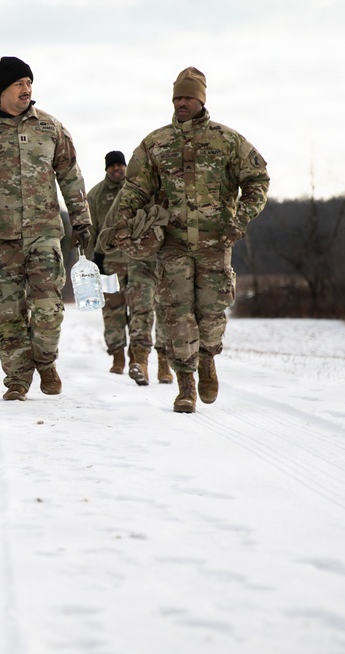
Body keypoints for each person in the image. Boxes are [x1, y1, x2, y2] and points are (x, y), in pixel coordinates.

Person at [112, 67, 269, 413]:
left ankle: (207, 360)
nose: (181, 103)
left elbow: (258, 180)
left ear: (201, 100)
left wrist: (240, 218)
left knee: (211, 314)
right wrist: (123, 222)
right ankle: (185, 386)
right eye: (177, 97)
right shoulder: (156, 143)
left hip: (216, 243)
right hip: (172, 244)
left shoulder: (228, 141)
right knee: (177, 314)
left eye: (188, 97)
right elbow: (135, 188)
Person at [0, 56, 92, 401]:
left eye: (29, 82)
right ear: (2, 89)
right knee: (6, 313)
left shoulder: (50, 128)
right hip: (0, 239)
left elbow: (71, 176)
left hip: (45, 233)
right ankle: (17, 378)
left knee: (48, 308)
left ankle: (45, 361)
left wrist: (82, 220)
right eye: (19, 83)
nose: (27, 89)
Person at [87, 150, 173, 386]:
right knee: (113, 310)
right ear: (106, 169)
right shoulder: (95, 195)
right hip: (110, 261)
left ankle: (140, 357)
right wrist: (93, 259)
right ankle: (117, 356)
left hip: (141, 259)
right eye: (112, 166)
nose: (117, 169)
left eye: (120, 165)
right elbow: (91, 229)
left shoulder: (140, 189)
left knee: (143, 307)